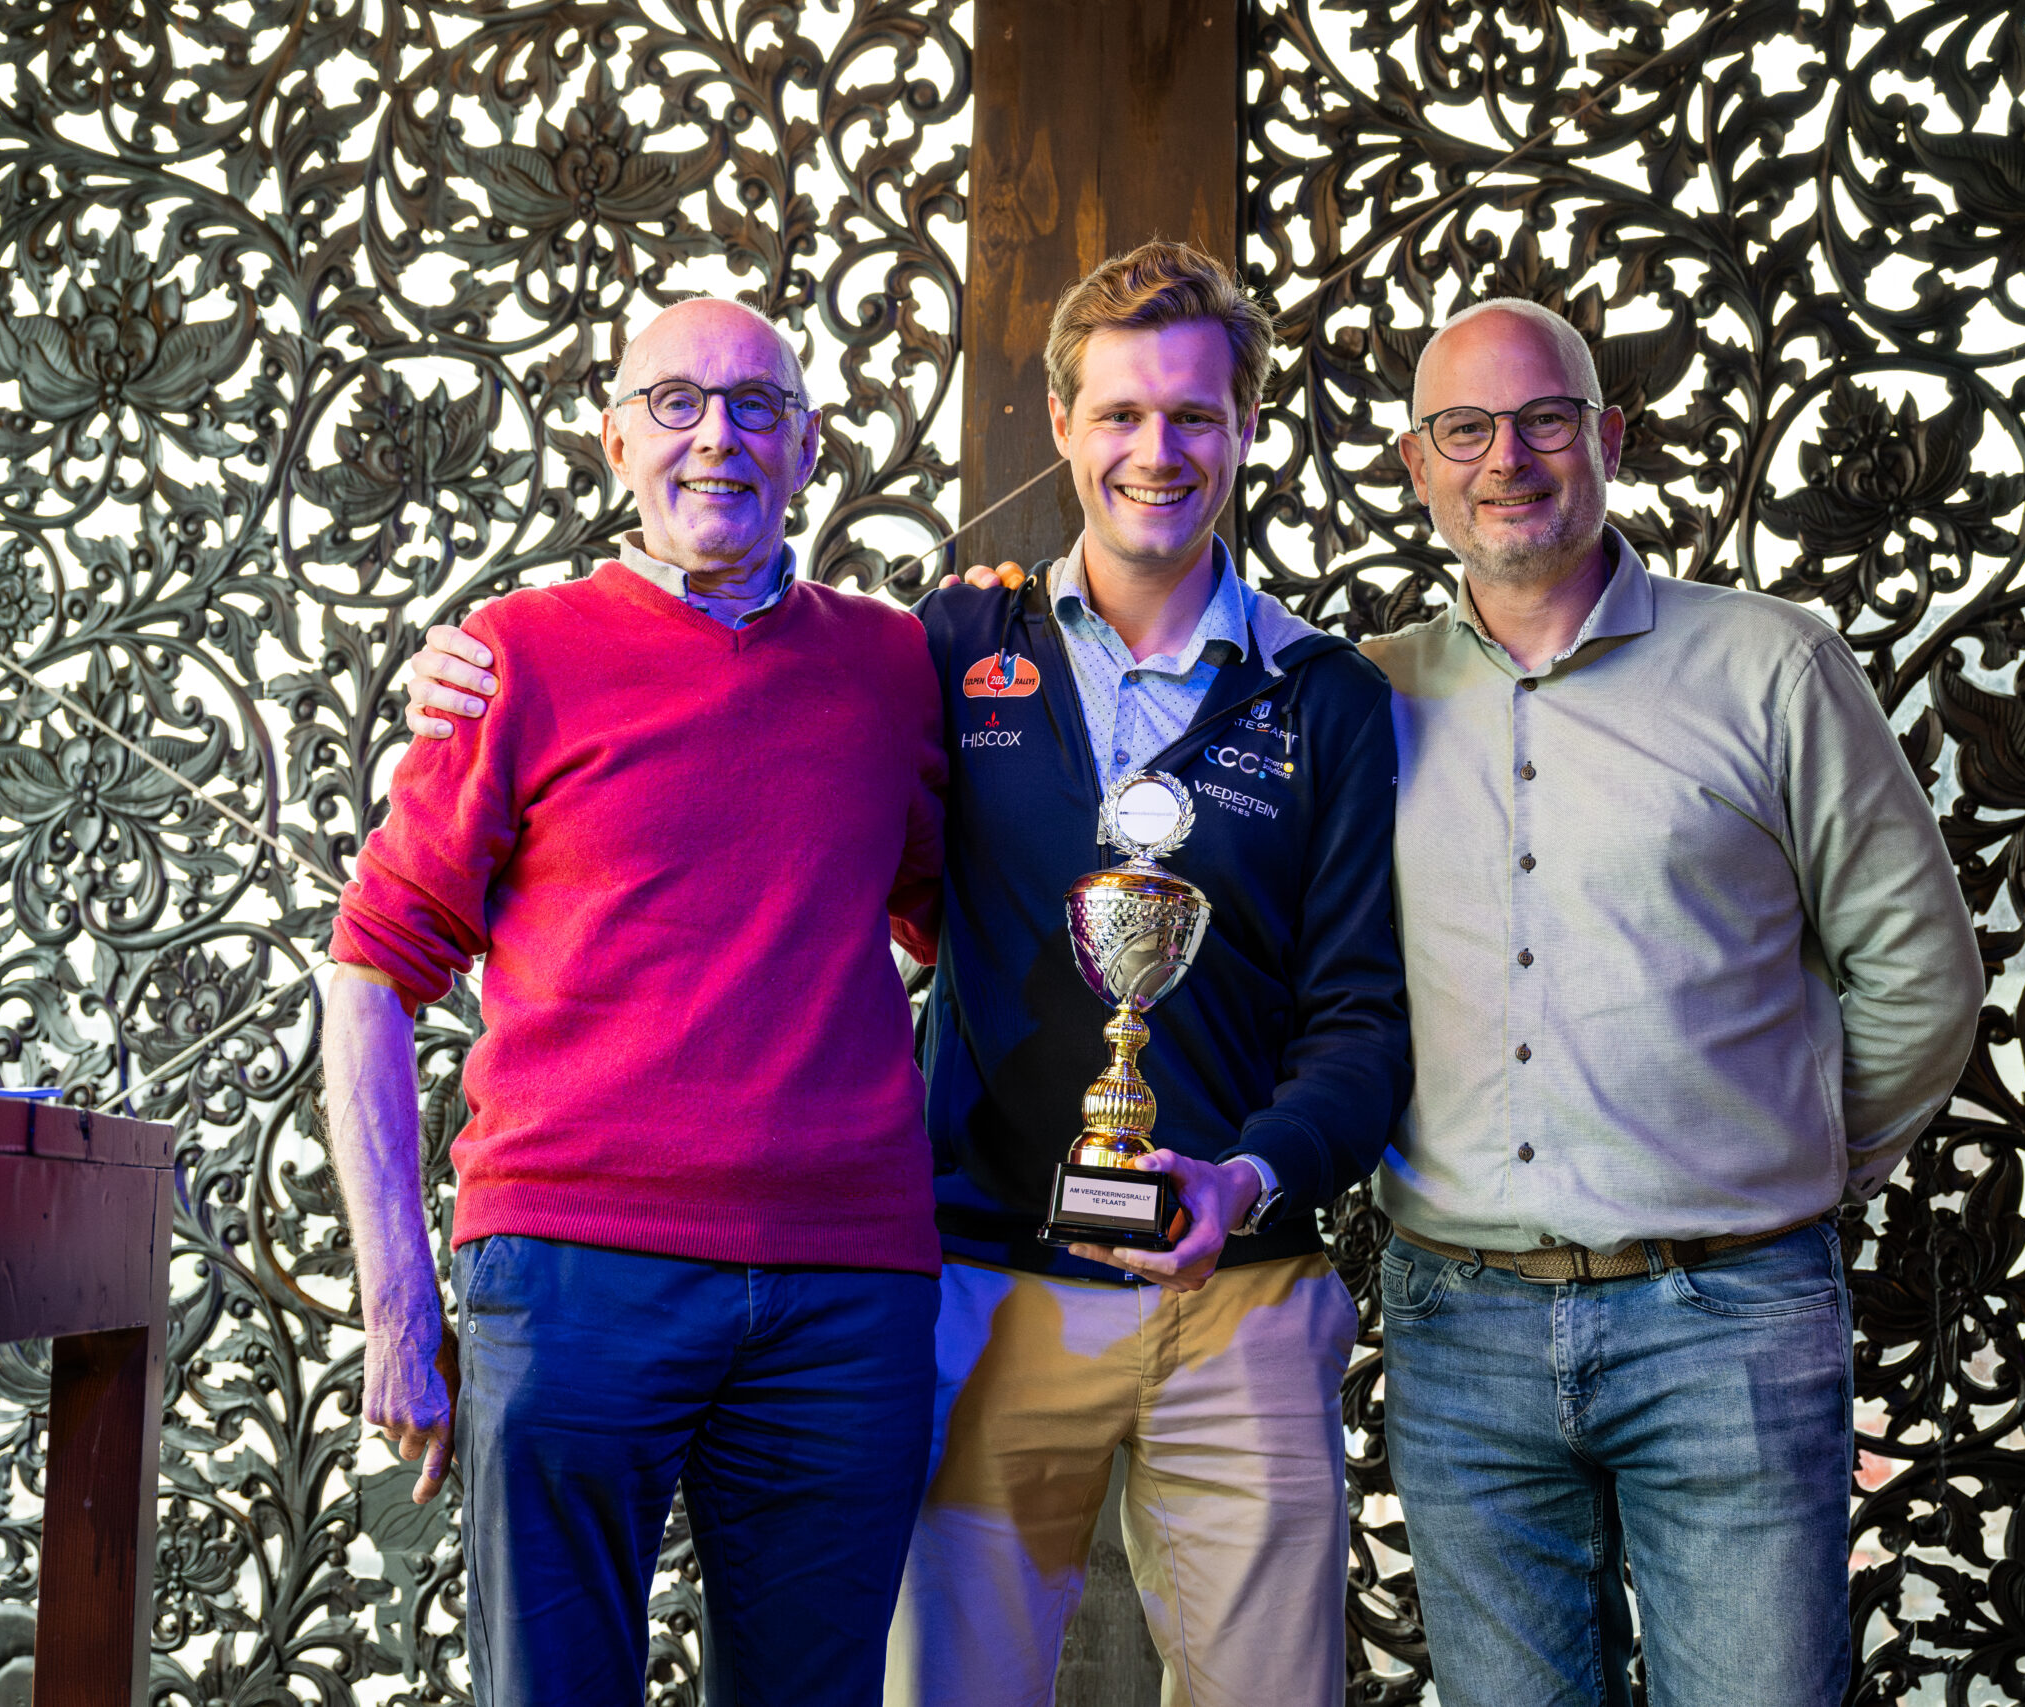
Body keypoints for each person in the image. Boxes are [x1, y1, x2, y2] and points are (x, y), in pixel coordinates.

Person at [404, 242, 1412, 1707]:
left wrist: (1246, 1179)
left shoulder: (1327, 696)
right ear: (1062, 426)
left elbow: (1364, 1019)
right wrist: (464, 680)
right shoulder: (942, 647)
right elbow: (750, 698)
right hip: (981, 1289)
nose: (1157, 450)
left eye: (1195, 415)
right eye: (1121, 413)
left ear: (1245, 429)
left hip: (1243, 1298)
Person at [325, 296, 948, 1707]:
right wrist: (399, 1310)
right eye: (676, 402)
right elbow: (369, 976)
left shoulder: (894, 666)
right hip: (570, 1273)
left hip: (847, 1288)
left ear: (806, 447)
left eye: (755, 406)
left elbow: (956, 912)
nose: (716, 436)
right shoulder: (513, 656)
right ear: (617, 441)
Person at [1361, 298, 1984, 1706]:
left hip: (1731, 1323)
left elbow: (1918, 971)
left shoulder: (1772, 666)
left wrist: (1792, 1159)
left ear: (1610, 438)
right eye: (1464, 428)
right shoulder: (1368, 698)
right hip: (1458, 1332)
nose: (1506, 458)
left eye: (1545, 419)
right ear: (1417, 464)